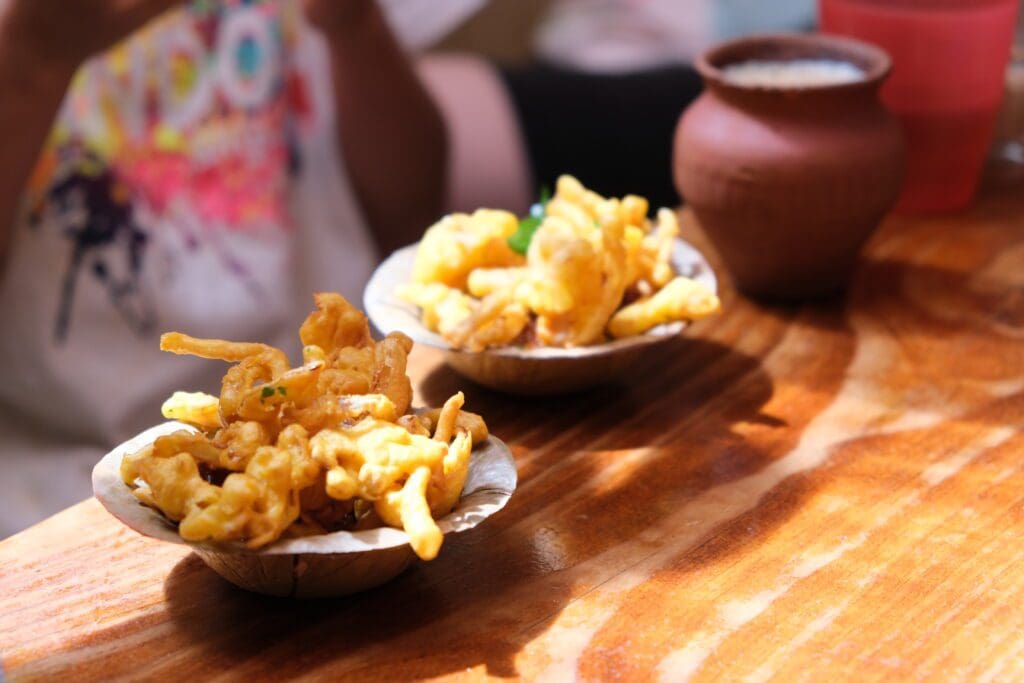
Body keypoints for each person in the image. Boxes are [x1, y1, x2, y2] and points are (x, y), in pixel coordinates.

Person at [0, 0, 447, 536]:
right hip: (56, 488)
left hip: (348, 445)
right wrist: (30, 59)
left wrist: (352, 23)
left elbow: (412, 209)